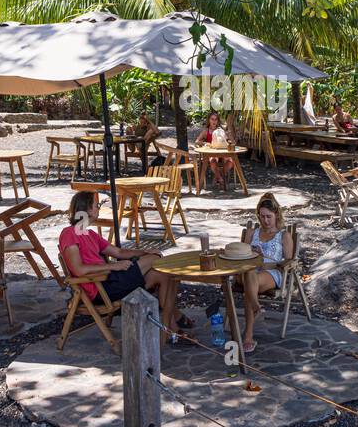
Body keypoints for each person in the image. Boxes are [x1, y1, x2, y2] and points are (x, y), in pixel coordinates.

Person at [59, 191, 190, 339]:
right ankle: (175, 321)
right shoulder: (69, 234)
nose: (99, 208)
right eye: (96, 205)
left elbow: (119, 252)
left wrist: (144, 252)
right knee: (156, 260)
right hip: (101, 288)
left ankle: (172, 329)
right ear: (88, 210)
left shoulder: (89, 234)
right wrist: (113, 266)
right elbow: (79, 270)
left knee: (163, 275)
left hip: (112, 281)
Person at [240, 193, 295, 353]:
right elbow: (241, 256)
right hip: (247, 271)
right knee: (249, 272)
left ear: (276, 214)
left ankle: (248, 335)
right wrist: (251, 253)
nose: (265, 220)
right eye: (262, 216)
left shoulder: (283, 236)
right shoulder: (252, 233)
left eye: (269, 216)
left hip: (270, 273)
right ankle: (256, 308)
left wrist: (263, 261)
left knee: (250, 276)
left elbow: (289, 263)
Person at [195, 111, 232, 189]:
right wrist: (205, 143)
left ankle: (216, 177)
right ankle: (221, 180)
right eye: (212, 119)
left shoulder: (221, 131)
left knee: (230, 161)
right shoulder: (206, 131)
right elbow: (197, 141)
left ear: (218, 121)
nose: (214, 121)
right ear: (209, 120)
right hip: (212, 153)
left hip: (222, 151)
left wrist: (229, 137)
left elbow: (230, 141)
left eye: (216, 119)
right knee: (213, 160)